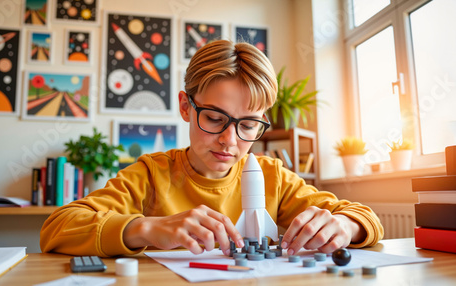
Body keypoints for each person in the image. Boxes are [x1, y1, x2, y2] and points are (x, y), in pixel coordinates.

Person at [40, 40, 383, 257]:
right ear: (187, 107)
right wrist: (146, 228)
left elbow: (365, 217)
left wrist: (344, 226)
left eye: (248, 125)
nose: (230, 141)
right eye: (216, 118)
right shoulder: (150, 174)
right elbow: (58, 227)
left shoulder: (270, 176)